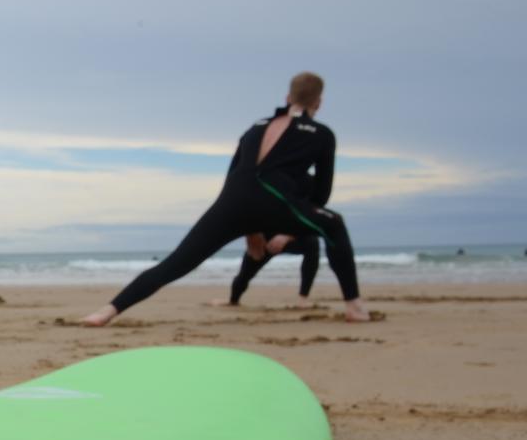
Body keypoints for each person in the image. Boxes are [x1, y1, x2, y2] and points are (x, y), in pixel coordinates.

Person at [81, 72, 370, 325]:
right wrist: (292, 227)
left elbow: (235, 175)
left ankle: (107, 311)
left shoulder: (254, 128)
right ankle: (354, 307)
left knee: (177, 262)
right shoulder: (322, 134)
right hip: (275, 200)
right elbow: (321, 193)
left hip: (231, 202)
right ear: (318, 102)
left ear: (287, 96)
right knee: (333, 224)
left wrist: (249, 229)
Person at [223, 232, 322, 306]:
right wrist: (252, 236)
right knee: (245, 274)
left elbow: (307, 217)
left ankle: (303, 298)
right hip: (264, 237)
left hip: (293, 235)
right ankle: (233, 300)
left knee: (312, 243)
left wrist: (288, 236)